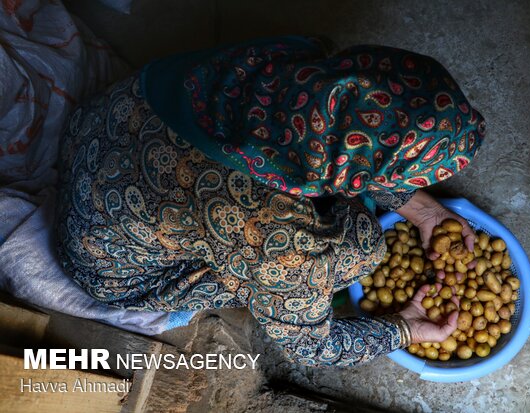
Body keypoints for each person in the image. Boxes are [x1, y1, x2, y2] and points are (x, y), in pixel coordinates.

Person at [55, 36, 485, 366]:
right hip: (109, 264)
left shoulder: (300, 65)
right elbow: (312, 348)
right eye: (413, 176)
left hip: (98, 132)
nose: (419, 185)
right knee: (363, 246)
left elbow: (354, 145)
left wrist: (426, 211)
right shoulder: (275, 233)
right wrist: (405, 330)